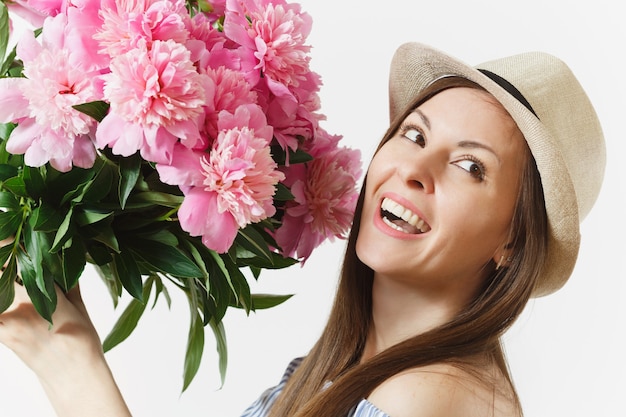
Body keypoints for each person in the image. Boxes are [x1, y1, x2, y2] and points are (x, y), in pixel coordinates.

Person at [0, 42, 605, 417]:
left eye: (471, 167)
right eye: (414, 135)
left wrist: (70, 363)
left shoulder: (431, 399)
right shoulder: (353, 371)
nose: (414, 171)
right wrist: (62, 349)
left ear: (512, 242)